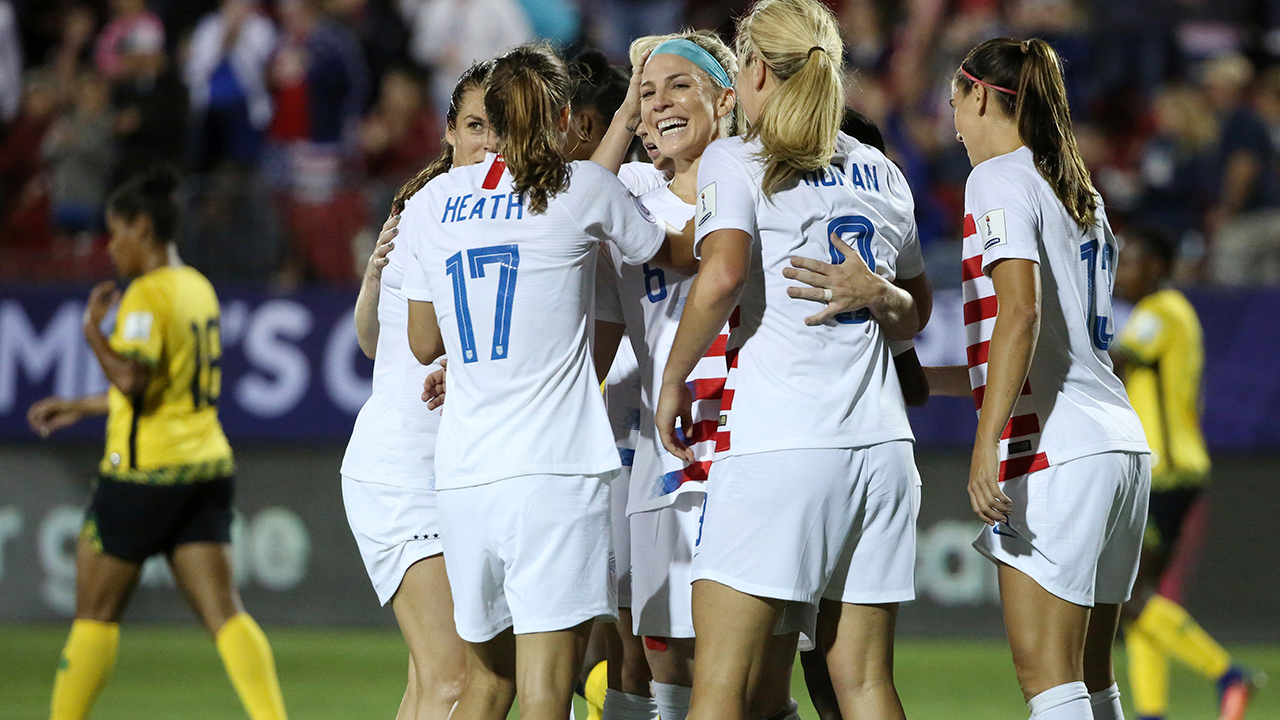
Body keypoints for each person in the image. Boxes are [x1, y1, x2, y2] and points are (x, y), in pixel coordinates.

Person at [655, 2, 927, 719]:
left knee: (721, 685)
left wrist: (673, 378)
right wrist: (881, 293)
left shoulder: (738, 158)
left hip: (781, 444)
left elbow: (720, 277)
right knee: (865, 683)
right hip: (882, 452)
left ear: (752, 69)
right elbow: (915, 313)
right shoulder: (881, 170)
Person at [399, 44, 670, 720]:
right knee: (547, 692)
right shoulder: (582, 189)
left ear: (489, 120)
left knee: (488, 685)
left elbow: (424, 341)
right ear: (564, 116)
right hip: (553, 475)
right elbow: (670, 253)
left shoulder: (431, 201)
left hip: (463, 477)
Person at [923, 37, 1151, 720]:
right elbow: (1052, 348)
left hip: (1059, 450)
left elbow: (1020, 314)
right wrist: (917, 378)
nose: (954, 123)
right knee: (1092, 678)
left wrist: (985, 444)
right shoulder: (1080, 191)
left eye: (955, 102)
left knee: (1047, 679)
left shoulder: (997, 178)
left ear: (981, 96)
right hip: (1118, 445)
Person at [26, 166, 288, 720]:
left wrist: (93, 333)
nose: (110, 246)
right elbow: (165, 390)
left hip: (144, 476)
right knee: (226, 614)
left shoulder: (146, 295)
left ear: (142, 228)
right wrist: (79, 406)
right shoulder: (197, 286)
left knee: (94, 615)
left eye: (115, 231)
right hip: (206, 469)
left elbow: (132, 381)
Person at [341, 61, 493, 720]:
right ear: (450, 132)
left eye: (501, 127)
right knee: (454, 679)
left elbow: (374, 344)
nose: (489, 142)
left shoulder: (458, 211)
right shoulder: (434, 209)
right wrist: (376, 278)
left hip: (451, 470)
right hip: (404, 470)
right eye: (475, 125)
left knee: (432, 685)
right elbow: (385, 342)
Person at [1111, 227, 1261, 720]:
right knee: (1138, 600)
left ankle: (1229, 673)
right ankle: (1152, 712)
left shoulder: (1161, 312)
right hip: (1169, 470)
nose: (1120, 273)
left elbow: (1117, 363)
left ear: (1157, 267)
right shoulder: (1172, 313)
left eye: (1130, 262)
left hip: (1166, 473)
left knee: (1128, 597)